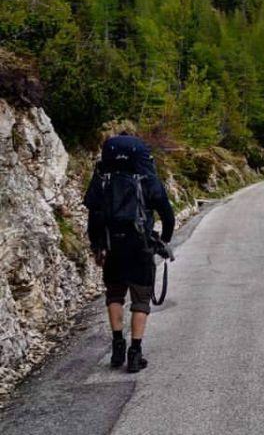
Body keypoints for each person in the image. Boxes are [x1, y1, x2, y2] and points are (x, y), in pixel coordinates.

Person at [85, 133, 175, 373]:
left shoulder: (102, 179)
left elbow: (93, 216)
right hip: (140, 247)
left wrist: (97, 246)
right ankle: (135, 352)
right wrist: (163, 240)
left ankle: (117, 344)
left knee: (114, 294)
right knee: (141, 300)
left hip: (112, 247)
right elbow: (167, 214)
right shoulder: (147, 178)